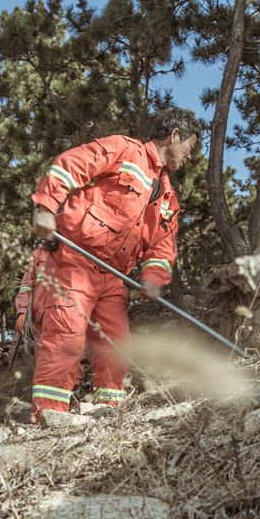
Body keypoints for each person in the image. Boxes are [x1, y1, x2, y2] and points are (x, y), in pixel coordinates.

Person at [28, 107, 199, 423]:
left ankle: (109, 417)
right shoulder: (124, 149)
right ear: (175, 136)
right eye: (190, 145)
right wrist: (47, 208)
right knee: (65, 339)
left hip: (114, 278)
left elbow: (162, 246)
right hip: (74, 262)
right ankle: (48, 420)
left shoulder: (168, 199)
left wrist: (153, 276)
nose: (190, 155)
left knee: (116, 349)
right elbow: (71, 165)